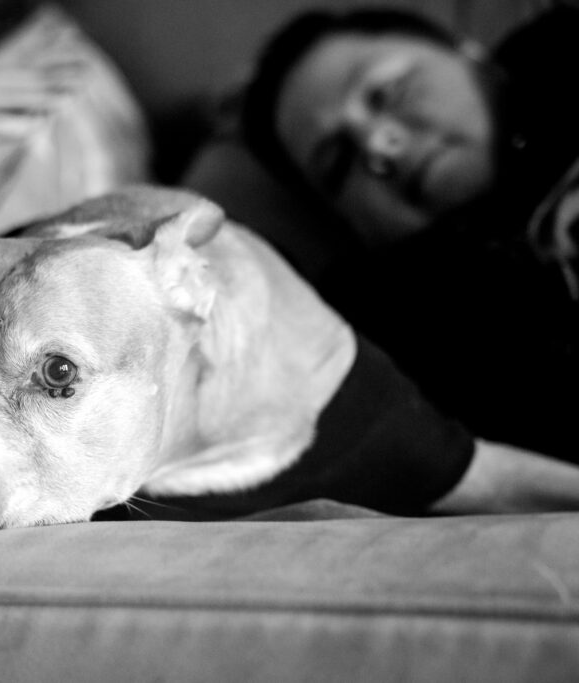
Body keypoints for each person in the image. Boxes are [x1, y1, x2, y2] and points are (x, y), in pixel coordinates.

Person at [239, 3, 579, 463]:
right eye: (338, 163)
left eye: (385, 93)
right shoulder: (405, 338)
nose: (379, 145)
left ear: (467, 53)